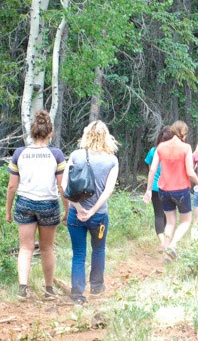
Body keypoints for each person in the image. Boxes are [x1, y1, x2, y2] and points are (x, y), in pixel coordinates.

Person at [5, 110, 66, 300]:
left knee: (25, 247)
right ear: (50, 134)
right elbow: (62, 187)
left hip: (24, 203)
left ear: (32, 132)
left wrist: (8, 211)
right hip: (48, 204)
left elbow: (12, 186)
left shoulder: (19, 153)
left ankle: (23, 288)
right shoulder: (56, 154)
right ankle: (49, 290)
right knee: (47, 248)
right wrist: (67, 210)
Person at [62, 120, 119, 304]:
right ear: (106, 137)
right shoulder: (112, 160)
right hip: (99, 216)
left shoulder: (75, 155)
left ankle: (77, 293)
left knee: (78, 253)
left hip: (75, 215)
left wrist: (79, 208)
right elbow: (108, 191)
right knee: (98, 249)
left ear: (86, 135)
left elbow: (64, 186)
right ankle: (96, 286)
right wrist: (93, 211)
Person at [143, 120, 198, 261]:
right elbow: (190, 172)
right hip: (180, 189)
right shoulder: (186, 148)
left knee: (170, 222)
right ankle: (172, 245)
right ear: (183, 133)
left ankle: (167, 254)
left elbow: (152, 170)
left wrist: (148, 190)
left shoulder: (161, 147)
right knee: (186, 221)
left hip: (163, 190)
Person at [144, 126, 174, 252]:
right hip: (171, 187)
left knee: (158, 214)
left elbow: (151, 169)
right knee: (169, 215)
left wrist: (149, 188)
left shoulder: (153, 151)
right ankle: (167, 243)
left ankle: (162, 242)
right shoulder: (175, 152)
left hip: (156, 187)